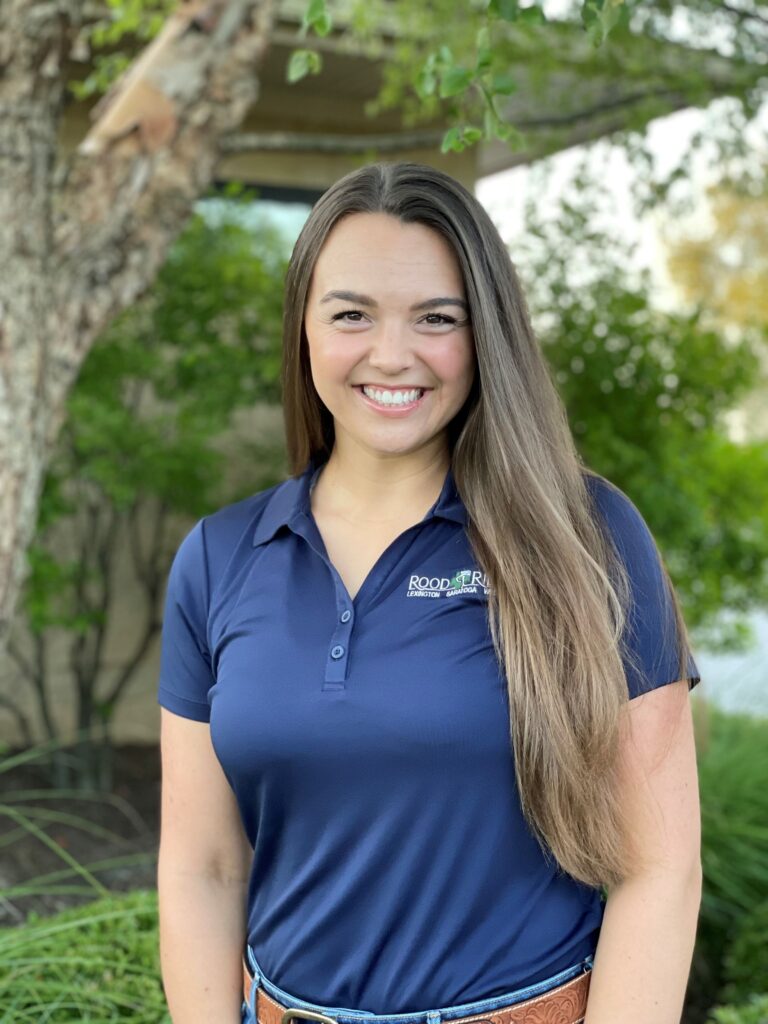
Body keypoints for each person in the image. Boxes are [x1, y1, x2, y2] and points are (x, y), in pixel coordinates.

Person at [156, 161, 703, 1024]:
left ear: (485, 335)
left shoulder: (586, 534)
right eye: (352, 315)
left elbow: (659, 867)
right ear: (304, 328)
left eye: (436, 319)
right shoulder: (219, 557)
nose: (391, 354)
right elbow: (204, 867)